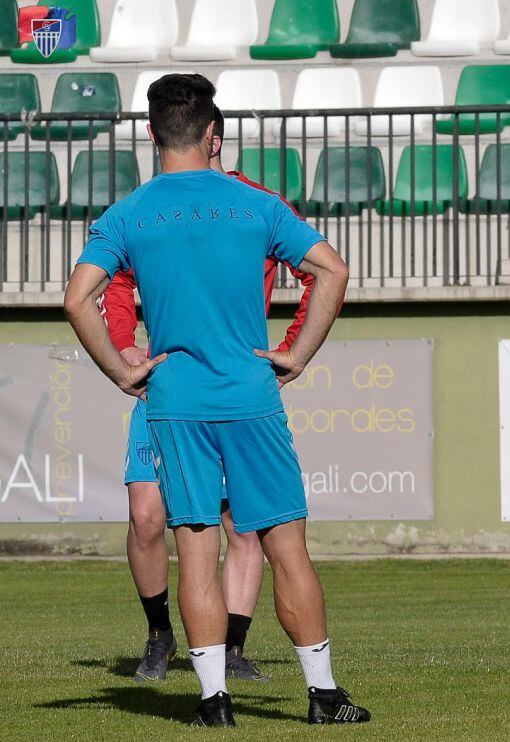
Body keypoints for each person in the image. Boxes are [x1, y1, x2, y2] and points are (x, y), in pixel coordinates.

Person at [64, 73, 367, 726]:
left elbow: (75, 299)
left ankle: (213, 702)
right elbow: (332, 269)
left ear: (151, 135)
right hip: (252, 396)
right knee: (286, 545)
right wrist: (298, 352)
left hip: (175, 401)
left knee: (196, 547)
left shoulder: (130, 213)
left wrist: (121, 369)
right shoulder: (252, 204)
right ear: (213, 134)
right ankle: (323, 695)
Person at [102, 105, 315, 685]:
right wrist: (124, 348)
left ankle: (231, 652)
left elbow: (319, 270)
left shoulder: (253, 202)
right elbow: (112, 284)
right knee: (148, 515)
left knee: (241, 527)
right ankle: (159, 634)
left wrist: (291, 347)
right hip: (168, 387)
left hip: (235, 388)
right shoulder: (147, 208)